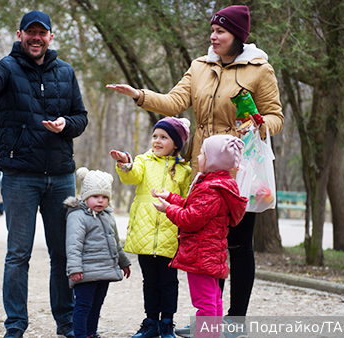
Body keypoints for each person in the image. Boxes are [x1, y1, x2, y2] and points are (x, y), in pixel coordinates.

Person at [106, 5, 284, 335]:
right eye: (212, 31)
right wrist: (139, 95)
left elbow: (276, 116)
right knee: (208, 244)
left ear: (237, 37)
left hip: (239, 168)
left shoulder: (260, 70)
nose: (212, 37)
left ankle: (235, 320)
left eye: (220, 32)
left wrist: (258, 125)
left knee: (239, 244)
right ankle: (210, 322)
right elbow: (175, 102)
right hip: (203, 167)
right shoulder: (199, 66)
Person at [0, 10, 88, 338]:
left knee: (63, 254)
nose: (36, 38)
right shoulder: (7, 67)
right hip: (19, 176)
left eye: (43, 33)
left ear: (51, 37)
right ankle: (15, 325)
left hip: (60, 176)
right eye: (31, 32)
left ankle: (67, 324)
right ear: (20, 34)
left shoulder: (65, 72)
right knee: (18, 255)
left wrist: (64, 125)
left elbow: (80, 117)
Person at [152, 135, 248, 338]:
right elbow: (195, 207)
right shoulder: (219, 184)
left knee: (204, 302)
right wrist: (171, 197)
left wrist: (168, 209)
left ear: (214, 161)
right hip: (212, 254)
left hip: (200, 255)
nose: (198, 156)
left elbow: (190, 219)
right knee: (214, 299)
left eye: (203, 153)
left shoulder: (210, 189)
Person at [110, 117, 192, 338]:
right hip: (145, 234)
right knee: (150, 281)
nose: (157, 140)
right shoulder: (143, 161)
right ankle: (150, 321)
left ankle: (167, 322)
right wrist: (125, 164)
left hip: (170, 234)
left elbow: (186, 201)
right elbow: (131, 176)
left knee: (168, 282)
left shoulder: (184, 170)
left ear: (176, 143)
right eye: (155, 136)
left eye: (164, 137)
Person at [64, 167, 131, 338]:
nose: (100, 201)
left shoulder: (108, 215)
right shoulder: (77, 216)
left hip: (105, 271)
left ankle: (91, 333)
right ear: (86, 196)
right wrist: (75, 269)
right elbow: (73, 245)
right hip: (85, 272)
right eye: (95, 197)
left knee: (96, 305)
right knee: (83, 305)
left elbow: (115, 242)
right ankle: (80, 334)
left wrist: (123, 262)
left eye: (104, 197)